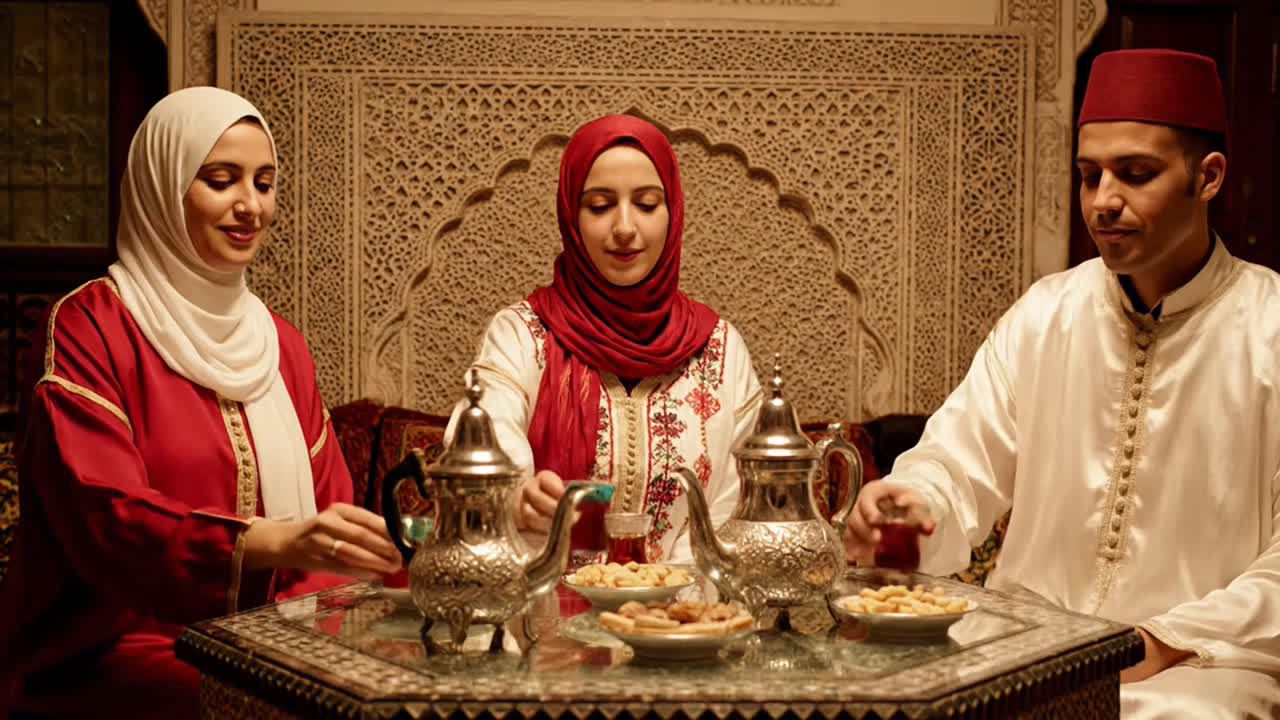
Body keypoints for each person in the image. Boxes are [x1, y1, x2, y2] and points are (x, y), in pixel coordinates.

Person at [843, 49, 1280, 717]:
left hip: (1196, 665)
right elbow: (958, 461)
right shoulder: (1046, 314)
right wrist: (908, 502)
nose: (1103, 201)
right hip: (1025, 648)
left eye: (1136, 175)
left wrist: (1166, 638)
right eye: (1089, 175)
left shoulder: (1269, 329)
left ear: (1209, 177)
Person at [0, 87, 402, 718]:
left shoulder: (279, 345)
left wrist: (376, 567)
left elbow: (330, 520)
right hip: (117, 645)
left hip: (273, 639)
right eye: (220, 180)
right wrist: (266, 542)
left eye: (265, 183)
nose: (251, 206)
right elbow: (104, 515)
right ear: (162, 187)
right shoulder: (90, 327)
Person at [446, 114, 762, 563]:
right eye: (599, 206)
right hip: (543, 618)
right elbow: (483, 444)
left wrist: (667, 602)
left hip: (689, 620)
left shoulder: (720, 350)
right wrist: (513, 497)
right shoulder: (524, 335)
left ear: (673, 213)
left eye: (648, 204)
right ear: (570, 218)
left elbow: (741, 505)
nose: (625, 228)